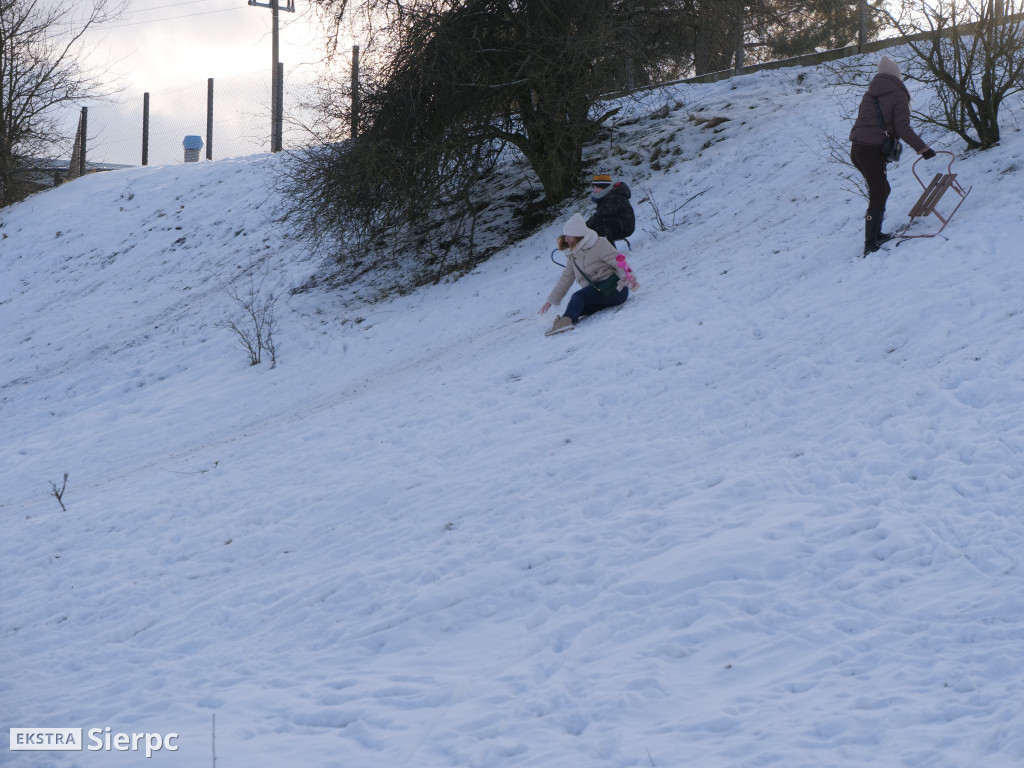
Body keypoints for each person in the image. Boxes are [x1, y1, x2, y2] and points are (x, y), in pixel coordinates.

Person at [849, 56, 936, 256]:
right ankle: (870, 243)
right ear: (896, 75)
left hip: (858, 149)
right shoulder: (898, 94)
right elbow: (902, 128)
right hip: (870, 150)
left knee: (882, 189)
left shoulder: (869, 94)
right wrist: (923, 148)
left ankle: (876, 234)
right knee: (879, 191)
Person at [539, 213, 628, 336]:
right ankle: (566, 319)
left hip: (615, 290)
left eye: (568, 236)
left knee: (578, 297)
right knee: (579, 306)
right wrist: (550, 301)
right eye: (565, 236)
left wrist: (628, 277)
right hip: (598, 293)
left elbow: (618, 260)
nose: (565, 240)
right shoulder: (573, 255)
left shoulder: (599, 243)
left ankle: (565, 322)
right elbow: (566, 278)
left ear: (577, 234)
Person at [586, 173, 635, 245]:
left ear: (604, 188)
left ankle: (610, 253)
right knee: (597, 225)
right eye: (594, 188)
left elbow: (605, 212)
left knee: (600, 223)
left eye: (597, 188)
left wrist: (586, 226)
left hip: (626, 226)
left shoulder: (616, 195)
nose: (595, 190)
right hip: (616, 224)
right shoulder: (605, 195)